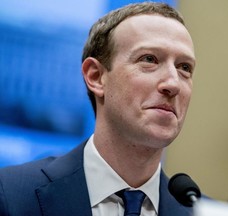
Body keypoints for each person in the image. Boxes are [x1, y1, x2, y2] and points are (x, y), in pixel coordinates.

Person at [0, 2, 197, 215]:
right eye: (149, 59)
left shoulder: (198, 210)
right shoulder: (11, 194)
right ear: (96, 77)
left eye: (184, 68)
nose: (173, 84)